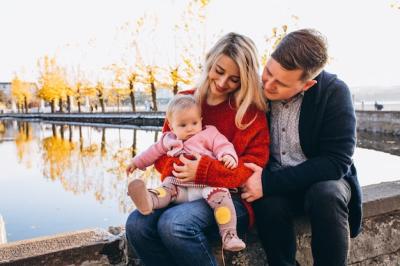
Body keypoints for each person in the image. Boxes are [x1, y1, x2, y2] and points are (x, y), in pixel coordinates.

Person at [125, 32, 270, 266]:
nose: (223, 83)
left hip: (228, 200)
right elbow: (162, 154)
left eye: (234, 79)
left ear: (245, 78)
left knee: (174, 225)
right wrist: (184, 167)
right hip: (181, 189)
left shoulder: (250, 112)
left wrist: (204, 170)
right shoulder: (184, 101)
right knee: (136, 224)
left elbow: (252, 167)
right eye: (219, 71)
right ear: (209, 61)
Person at [241, 29, 362, 266]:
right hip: (278, 187)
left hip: (322, 182)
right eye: (268, 72)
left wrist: (267, 183)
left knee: (326, 194)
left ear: (307, 85)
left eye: (281, 83)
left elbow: (336, 162)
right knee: (267, 204)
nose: (268, 84)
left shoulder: (334, 92)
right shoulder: (257, 87)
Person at [126, 94, 246, 251]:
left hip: (206, 185)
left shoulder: (209, 133)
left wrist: (228, 156)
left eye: (194, 123)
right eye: (182, 125)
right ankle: (148, 200)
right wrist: (137, 162)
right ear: (171, 125)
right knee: (165, 189)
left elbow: (223, 145)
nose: (190, 128)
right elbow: (152, 152)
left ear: (201, 119)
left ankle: (229, 235)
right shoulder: (168, 139)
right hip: (179, 187)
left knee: (221, 197)